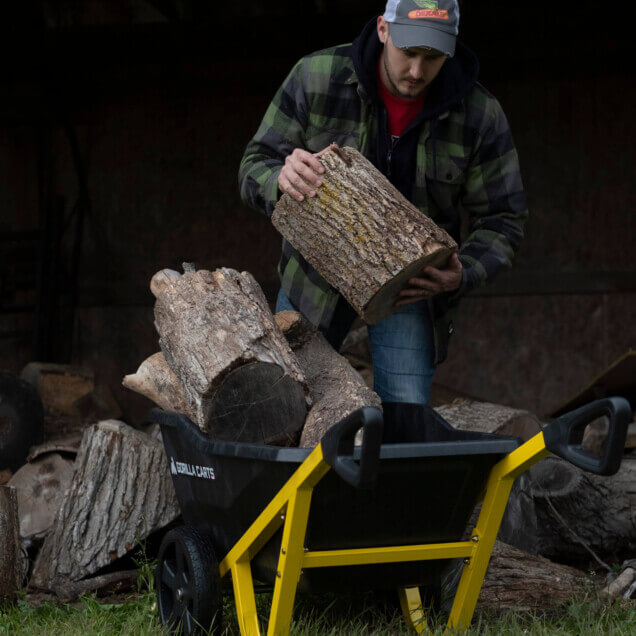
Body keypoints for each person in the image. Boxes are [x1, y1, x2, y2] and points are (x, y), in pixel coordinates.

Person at [238, 0, 528, 405]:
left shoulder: (480, 115)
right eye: (408, 52)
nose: (416, 71)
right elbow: (254, 165)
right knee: (288, 407)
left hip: (411, 289)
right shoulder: (315, 77)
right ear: (383, 29)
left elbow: (504, 219)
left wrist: (464, 274)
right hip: (312, 281)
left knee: (406, 414)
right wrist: (278, 180)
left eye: (432, 57)